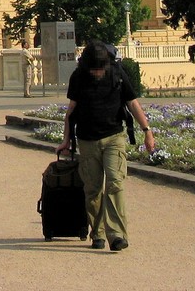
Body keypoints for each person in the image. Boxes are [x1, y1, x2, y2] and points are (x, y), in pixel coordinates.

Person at [57, 42, 155, 252]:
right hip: (87, 139)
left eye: (100, 68)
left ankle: (117, 235)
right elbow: (71, 112)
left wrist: (147, 130)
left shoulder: (118, 73)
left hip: (114, 137)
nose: (97, 72)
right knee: (92, 189)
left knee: (115, 183)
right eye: (94, 69)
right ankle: (98, 232)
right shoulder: (78, 77)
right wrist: (66, 140)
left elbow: (133, 103)